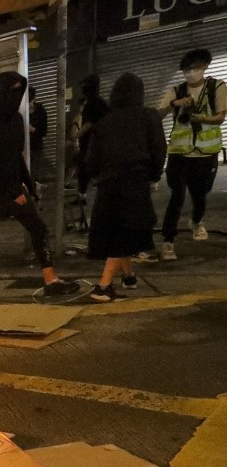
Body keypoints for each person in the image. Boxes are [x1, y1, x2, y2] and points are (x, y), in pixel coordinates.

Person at [0, 72, 80, 301]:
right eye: (12, 91)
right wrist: (13, 192)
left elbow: (15, 156)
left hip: (14, 189)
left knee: (38, 229)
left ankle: (51, 280)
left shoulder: (17, 121)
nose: (17, 96)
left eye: (20, 90)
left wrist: (28, 185)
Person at [84, 73, 167, 302]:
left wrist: (97, 177)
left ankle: (128, 276)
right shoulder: (148, 116)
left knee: (119, 230)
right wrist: (154, 176)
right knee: (124, 234)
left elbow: (91, 159)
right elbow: (159, 149)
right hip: (135, 180)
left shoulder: (105, 121)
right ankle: (103, 286)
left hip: (108, 184)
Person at [155, 48, 226, 261]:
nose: (190, 73)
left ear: (205, 66)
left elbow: (221, 118)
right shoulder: (175, 91)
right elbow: (157, 115)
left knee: (200, 195)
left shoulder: (217, 88)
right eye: (186, 69)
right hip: (179, 153)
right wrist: (174, 104)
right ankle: (168, 241)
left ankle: (196, 221)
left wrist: (199, 119)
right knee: (176, 195)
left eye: (194, 68)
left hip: (206, 154)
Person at [71, 75, 109, 201]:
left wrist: (75, 136)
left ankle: (83, 196)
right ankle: (82, 196)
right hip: (96, 144)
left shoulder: (93, 103)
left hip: (92, 145)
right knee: (84, 170)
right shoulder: (100, 102)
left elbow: (88, 124)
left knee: (85, 168)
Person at [28, 86, 48, 192]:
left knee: (33, 173)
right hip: (23, 147)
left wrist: (32, 129)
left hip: (35, 146)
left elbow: (44, 131)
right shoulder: (21, 110)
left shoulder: (40, 110)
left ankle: (34, 195)